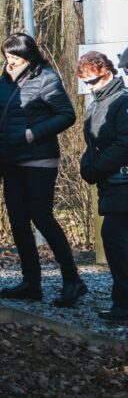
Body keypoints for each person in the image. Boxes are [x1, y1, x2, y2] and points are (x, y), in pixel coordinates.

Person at [0, 32, 85, 307]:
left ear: (29, 56)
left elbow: (67, 115)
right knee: (18, 220)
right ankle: (31, 282)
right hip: (11, 158)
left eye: (15, 57)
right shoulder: (4, 80)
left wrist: (34, 133)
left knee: (41, 217)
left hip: (39, 159)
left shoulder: (46, 77)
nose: (10, 62)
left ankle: (72, 280)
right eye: (7, 56)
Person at [78, 51, 128, 322]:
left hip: (121, 180)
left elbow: (123, 143)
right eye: (86, 83)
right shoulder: (98, 102)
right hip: (111, 180)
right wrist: (88, 164)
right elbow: (93, 143)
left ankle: (123, 303)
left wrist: (95, 167)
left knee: (115, 238)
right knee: (116, 240)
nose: (89, 87)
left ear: (107, 72)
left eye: (93, 81)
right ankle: (121, 302)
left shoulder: (120, 100)